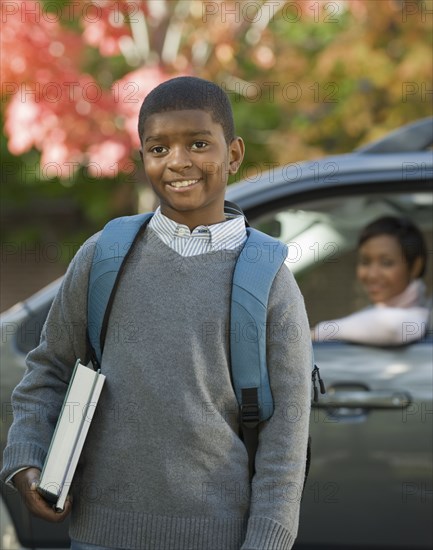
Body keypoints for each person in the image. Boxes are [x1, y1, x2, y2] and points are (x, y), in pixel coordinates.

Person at [1, 77, 312, 550]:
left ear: (233, 155)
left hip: (217, 538)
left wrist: (267, 542)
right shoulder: (104, 256)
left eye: (199, 144)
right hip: (98, 535)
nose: (178, 161)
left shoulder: (268, 278)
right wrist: (25, 461)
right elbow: (48, 371)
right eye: (158, 148)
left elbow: (285, 440)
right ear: (143, 158)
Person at [311, 216, 430, 346]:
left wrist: (317, 333)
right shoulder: (371, 314)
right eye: (365, 262)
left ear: (415, 267)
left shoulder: (422, 317)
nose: (372, 274)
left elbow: (389, 328)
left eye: (386, 263)